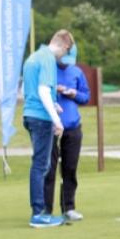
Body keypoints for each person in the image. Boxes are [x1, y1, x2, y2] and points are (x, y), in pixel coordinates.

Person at [22, 29, 74, 228]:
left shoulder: (33, 57)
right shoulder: (48, 59)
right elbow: (43, 90)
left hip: (30, 114)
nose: (64, 56)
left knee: (40, 164)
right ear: (64, 45)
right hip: (41, 117)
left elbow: (29, 90)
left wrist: (54, 104)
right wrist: (57, 120)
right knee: (41, 165)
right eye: (66, 52)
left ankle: (39, 212)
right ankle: (38, 214)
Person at [43, 44, 89, 221]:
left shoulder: (77, 72)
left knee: (70, 168)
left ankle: (68, 207)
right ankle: (46, 210)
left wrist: (74, 93)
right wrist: (55, 90)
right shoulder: (48, 71)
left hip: (73, 127)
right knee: (49, 169)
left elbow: (85, 97)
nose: (65, 64)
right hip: (51, 127)